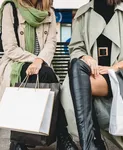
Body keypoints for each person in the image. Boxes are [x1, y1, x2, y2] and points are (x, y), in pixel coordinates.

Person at [67, 0, 123, 150]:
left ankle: (92, 142)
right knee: (76, 69)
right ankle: (91, 143)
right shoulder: (83, 13)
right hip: (93, 73)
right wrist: (86, 57)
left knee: (80, 84)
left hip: (120, 76)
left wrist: (116, 67)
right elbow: (76, 49)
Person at [0, 0, 78, 150]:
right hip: (16, 63)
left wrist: (40, 60)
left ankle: (18, 141)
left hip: (42, 65)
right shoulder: (11, 8)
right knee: (44, 75)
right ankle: (62, 136)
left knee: (43, 74)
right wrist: (34, 60)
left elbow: (51, 43)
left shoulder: (50, 12)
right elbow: (10, 48)